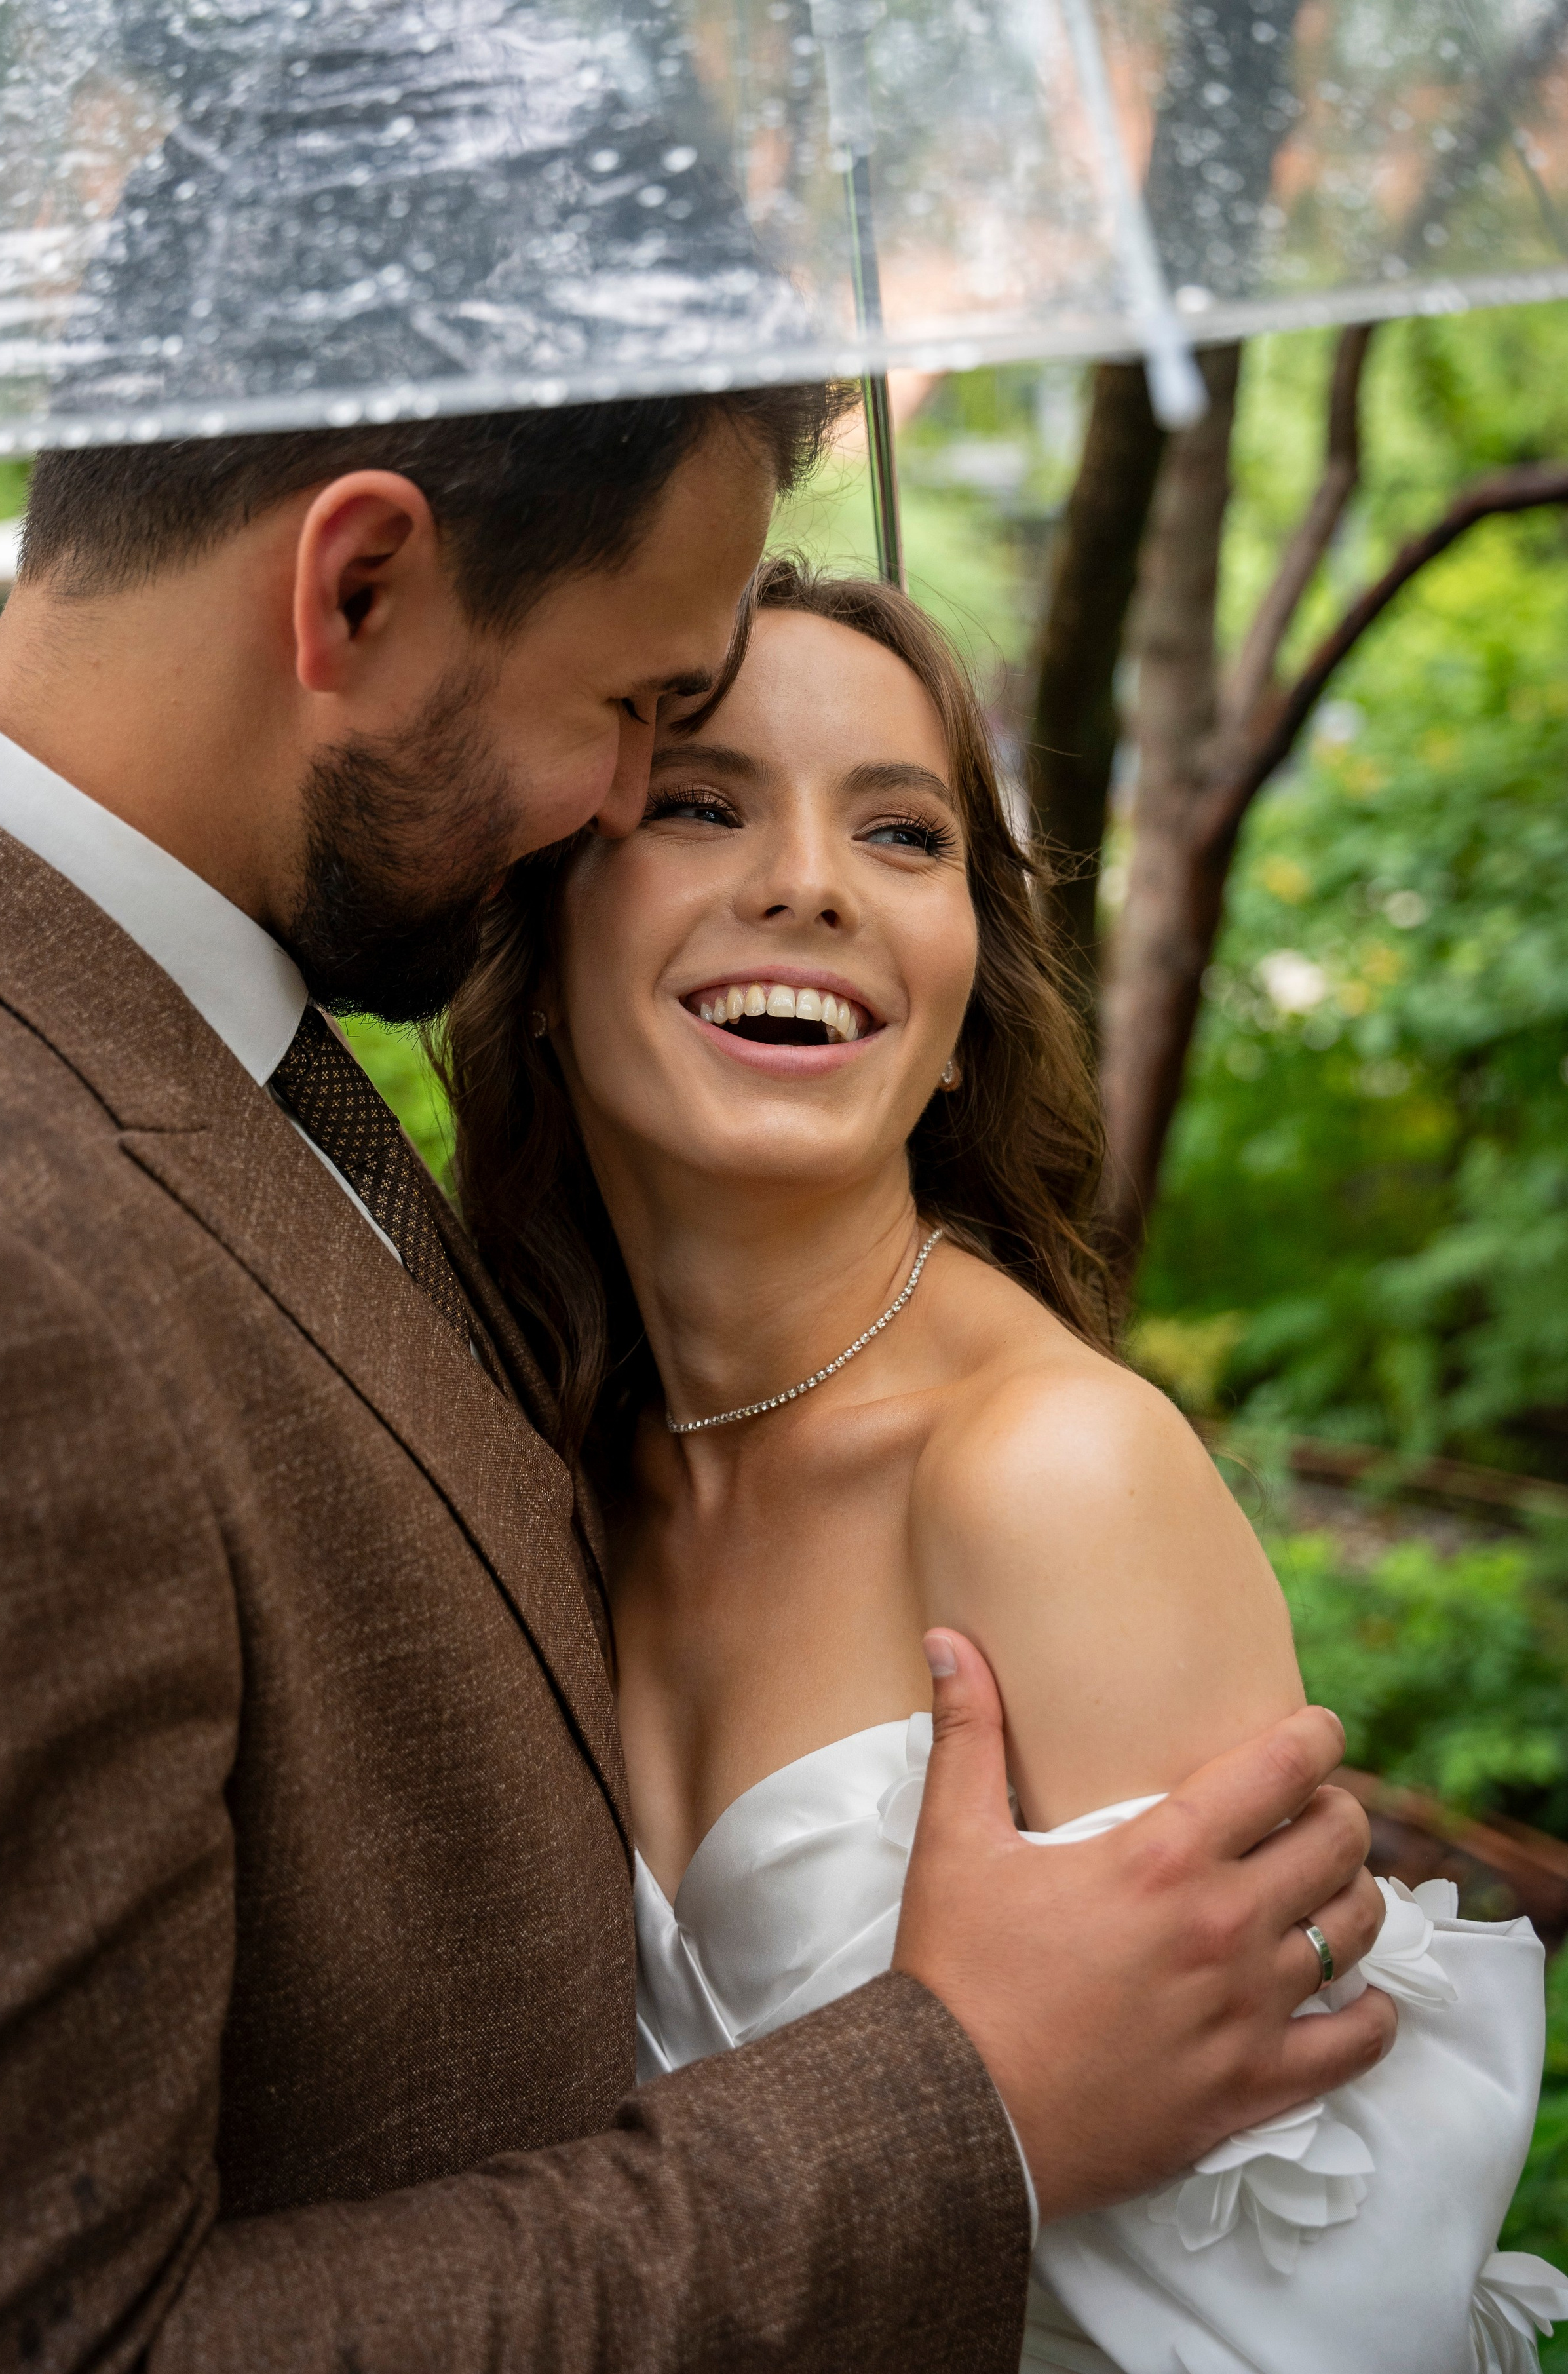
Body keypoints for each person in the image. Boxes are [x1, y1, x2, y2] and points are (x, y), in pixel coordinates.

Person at [0, 395, 1397, 2372]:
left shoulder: (228, 1054)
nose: (611, 802)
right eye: (655, 736)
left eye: (904, 829)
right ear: (357, 585)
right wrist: (967, 2097)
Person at [440, 556, 1568, 2372]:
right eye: (706, 802)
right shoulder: (556, 1462)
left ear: (966, 1003)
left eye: (902, 834)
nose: (806, 882)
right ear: (544, 944)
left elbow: (1314, 2319)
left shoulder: (1054, 1473)